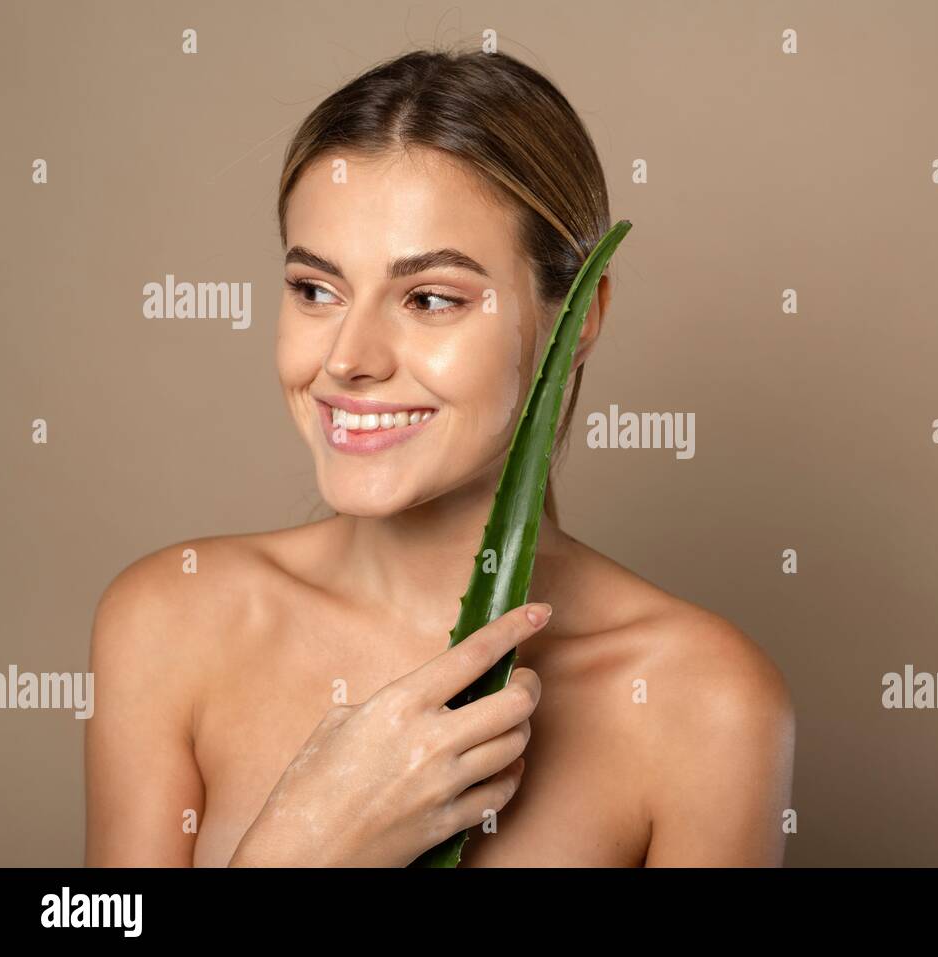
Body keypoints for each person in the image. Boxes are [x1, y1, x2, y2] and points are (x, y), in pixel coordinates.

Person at [85, 49, 794, 867]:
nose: (349, 359)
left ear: (580, 316)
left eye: (429, 299)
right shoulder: (169, 623)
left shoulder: (707, 702)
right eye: (316, 290)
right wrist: (309, 842)